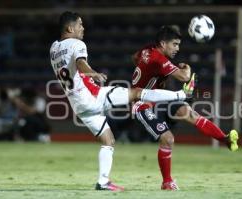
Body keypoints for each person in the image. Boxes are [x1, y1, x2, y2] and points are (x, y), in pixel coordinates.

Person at [49, 12, 194, 191]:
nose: (83, 28)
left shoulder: (54, 47)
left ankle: (103, 182)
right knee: (137, 93)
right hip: (92, 96)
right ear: (70, 28)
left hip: (78, 104)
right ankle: (181, 95)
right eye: (80, 24)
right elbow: (80, 63)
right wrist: (92, 72)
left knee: (108, 140)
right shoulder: (77, 43)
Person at [131, 25, 239, 190]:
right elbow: (184, 77)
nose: (177, 48)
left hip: (158, 98)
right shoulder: (158, 59)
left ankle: (224, 139)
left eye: (178, 44)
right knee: (168, 139)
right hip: (141, 103)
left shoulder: (147, 50)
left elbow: (135, 57)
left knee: (190, 113)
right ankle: (167, 182)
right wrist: (187, 68)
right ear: (162, 43)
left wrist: (150, 73)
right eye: (174, 44)